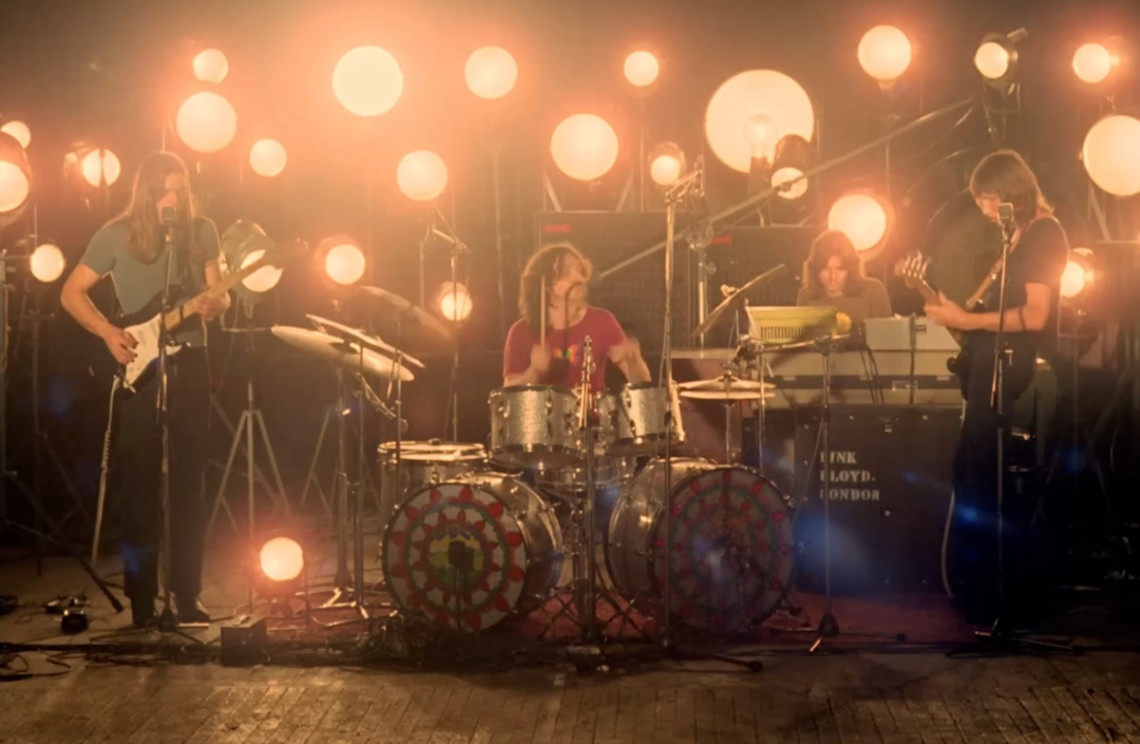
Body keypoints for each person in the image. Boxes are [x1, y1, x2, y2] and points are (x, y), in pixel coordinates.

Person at [61, 151, 230, 628]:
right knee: (139, 485)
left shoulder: (202, 231)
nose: (173, 200)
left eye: (180, 190)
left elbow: (220, 292)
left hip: (189, 362)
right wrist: (108, 332)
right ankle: (141, 600)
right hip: (140, 369)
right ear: (147, 194)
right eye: (164, 192)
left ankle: (187, 595)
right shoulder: (114, 235)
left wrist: (217, 304)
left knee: (189, 484)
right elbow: (71, 292)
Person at [923, 149, 1068, 624]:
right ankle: (975, 581)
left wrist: (966, 320)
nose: (983, 209)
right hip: (989, 362)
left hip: (1013, 364)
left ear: (1010, 193)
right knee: (970, 466)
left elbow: (1036, 315)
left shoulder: (1044, 234)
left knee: (984, 468)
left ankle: (994, 587)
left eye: (987, 198)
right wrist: (956, 316)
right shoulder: (1015, 238)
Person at [504, 243, 650, 394]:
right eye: (565, 272)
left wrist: (635, 363)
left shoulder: (602, 320)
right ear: (545, 284)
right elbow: (508, 390)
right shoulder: (521, 331)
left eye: (580, 270)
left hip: (592, 410)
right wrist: (533, 372)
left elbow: (642, 386)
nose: (578, 278)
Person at [796, 230, 892, 325]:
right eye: (826, 269)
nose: (833, 276)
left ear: (851, 268)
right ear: (815, 269)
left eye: (839, 269)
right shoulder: (806, 296)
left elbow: (885, 333)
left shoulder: (874, 291)